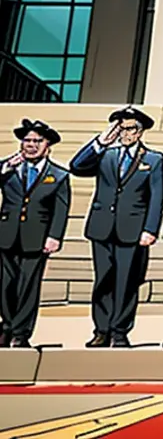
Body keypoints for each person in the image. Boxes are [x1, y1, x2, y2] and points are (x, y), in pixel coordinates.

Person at [69, 106, 163, 348]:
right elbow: (77, 166)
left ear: (140, 131)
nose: (125, 133)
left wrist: (150, 229)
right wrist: (101, 141)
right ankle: (101, 329)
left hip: (132, 228)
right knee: (103, 279)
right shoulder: (105, 154)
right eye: (120, 128)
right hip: (102, 226)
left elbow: (157, 195)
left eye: (130, 128)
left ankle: (120, 330)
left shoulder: (153, 159)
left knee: (127, 281)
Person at [0, 119, 69, 348]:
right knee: (5, 285)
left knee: (28, 286)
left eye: (37, 141)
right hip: (7, 234)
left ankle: (21, 332)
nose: (31, 145)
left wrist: (55, 236)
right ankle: (7, 326)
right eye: (27, 140)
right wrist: (6, 168)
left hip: (36, 237)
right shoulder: (7, 168)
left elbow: (61, 209)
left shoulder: (58, 174)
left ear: (47, 144)